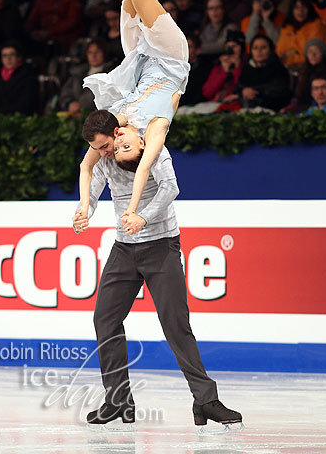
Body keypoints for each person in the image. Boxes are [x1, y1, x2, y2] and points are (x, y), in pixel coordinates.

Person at [72, 109, 243, 430]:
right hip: (124, 250)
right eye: (98, 150)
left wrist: (144, 216)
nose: (105, 154)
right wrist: (84, 211)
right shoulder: (103, 158)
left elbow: (170, 187)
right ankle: (118, 399)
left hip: (161, 246)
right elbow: (92, 190)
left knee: (175, 324)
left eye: (106, 146)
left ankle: (205, 400)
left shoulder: (151, 147)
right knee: (105, 319)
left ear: (118, 132)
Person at [78, 0, 190, 226]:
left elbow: (86, 164)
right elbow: (143, 170)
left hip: (139, 57)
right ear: (142, 143)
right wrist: (133, 210)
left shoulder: (120, 124)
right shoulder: (155, 129)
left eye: (117, 147)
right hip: (170, 56)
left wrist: (84, 206)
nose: (120, 142)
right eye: (128, 146)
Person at [59, 38, 115, 115]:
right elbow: (65, 93)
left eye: (97, 52)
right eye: (90, 52)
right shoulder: (76, 73)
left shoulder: (110, 75)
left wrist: (83, 109)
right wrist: (69, 104)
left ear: (104, 53)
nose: (93, 56)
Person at [237, 34, 291, 111]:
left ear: (271, 50)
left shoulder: (279, 70)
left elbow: (278, 94)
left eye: (263, 47)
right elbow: (238, 88)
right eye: (255, 48)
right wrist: (243, 91)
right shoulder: (246, 69)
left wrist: (253, 93)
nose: (259, 51)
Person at [274, 0, 326, 70]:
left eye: (303, 7)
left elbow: (313, 53)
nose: (300, 10)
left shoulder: (317, 26)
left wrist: (290, 53)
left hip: (310, 69)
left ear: (309, 9)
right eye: (296, 7)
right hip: (286, 69)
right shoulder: (286, 27)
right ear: (292, 10)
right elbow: (280, 52)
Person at [0, 40, 38, 114]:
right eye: (5, 55)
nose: (8, 58)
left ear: (19, 57)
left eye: (12, 54)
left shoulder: (28, 76)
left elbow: (26, 103)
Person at [202, 30, 245, 104]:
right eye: (228, 47)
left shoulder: (246, 65)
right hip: (215, 106)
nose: (231, 50)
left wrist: (237, 68)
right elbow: (207, 93)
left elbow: (241, 90)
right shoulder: (219, 66)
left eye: (234, 46)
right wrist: (224, 72)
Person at [179, 33, 212, 106]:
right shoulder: (175, 67)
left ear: (198, 50)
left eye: (189, 47)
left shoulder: (206, 68)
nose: (185, 50)